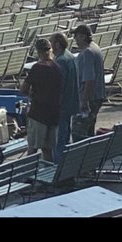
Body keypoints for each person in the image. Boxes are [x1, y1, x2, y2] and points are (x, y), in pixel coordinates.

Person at [19, 36, 62, 163]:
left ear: (38, 51)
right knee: (47, 149)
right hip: (54, 114)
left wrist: (31, 93)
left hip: (38, 113)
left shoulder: (37, 68)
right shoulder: (57, 67)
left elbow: (23, 89)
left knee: (32, 148)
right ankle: (48, 175)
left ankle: (26, 174)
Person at [71, 24, 106, 139]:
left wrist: (84, 101)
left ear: (82, 36)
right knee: (89, 131)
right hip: (97, 96)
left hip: (89, 99)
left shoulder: (87, 53)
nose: (74, 39)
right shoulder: (95, 47)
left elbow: (89, 79)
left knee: (78, 133)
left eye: (76, 36)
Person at [50, 31, 80, 162]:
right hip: (71, 102)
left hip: (62, 105)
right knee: (66, 135)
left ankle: (59, 167)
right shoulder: (70, 56)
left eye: (51, 43)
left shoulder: (61, 60)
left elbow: (58, 86)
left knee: (60, 139)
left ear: (57, 44)